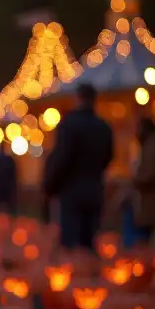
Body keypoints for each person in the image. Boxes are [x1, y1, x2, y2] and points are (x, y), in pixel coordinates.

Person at [44, 83, 114, 251]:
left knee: (71, 243)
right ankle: (90, 273)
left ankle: (77, 273)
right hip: (94, 189)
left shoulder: (69, 124)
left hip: (72, 191)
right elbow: (109, 157)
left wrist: (49, 186)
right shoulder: (104, 127)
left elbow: (62, 158)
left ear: (78, 98)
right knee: (89, 241)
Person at [133, 117, 155, 248]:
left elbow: (149, 173)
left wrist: (136, 179)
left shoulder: (152, 146)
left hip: (152, 201)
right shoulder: (150, 144)